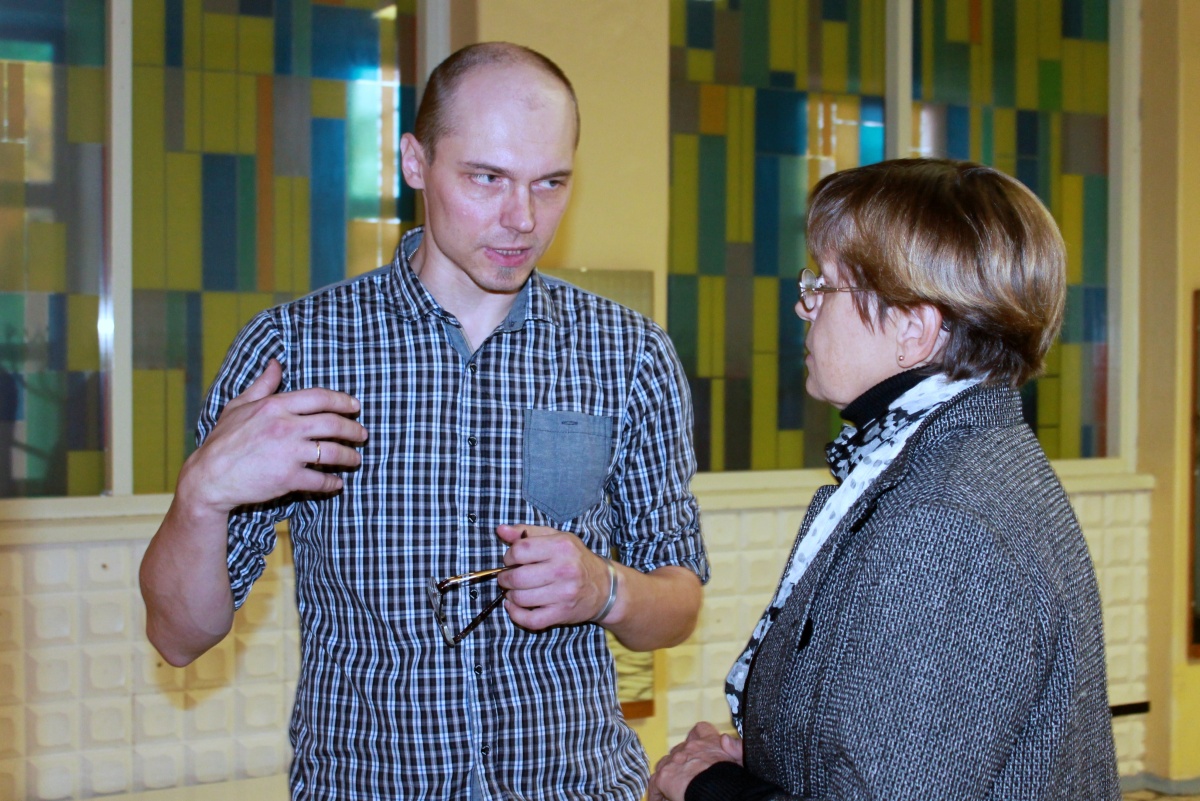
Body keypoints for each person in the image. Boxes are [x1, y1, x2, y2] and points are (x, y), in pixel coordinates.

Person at [139, 42, 708, 800]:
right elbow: (179, 637)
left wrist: (605, 589)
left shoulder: (627, 353)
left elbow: (678, 601)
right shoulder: (296, 350)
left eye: (550, 183)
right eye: (486, 178)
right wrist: (202, 493)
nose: (522, 219)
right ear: (416, 162)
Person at [649, 158, 1119, 801]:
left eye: (824, 285)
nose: (803, 305)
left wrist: (712, 787)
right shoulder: (954, 459)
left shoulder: (944, 525)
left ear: (913, 330)